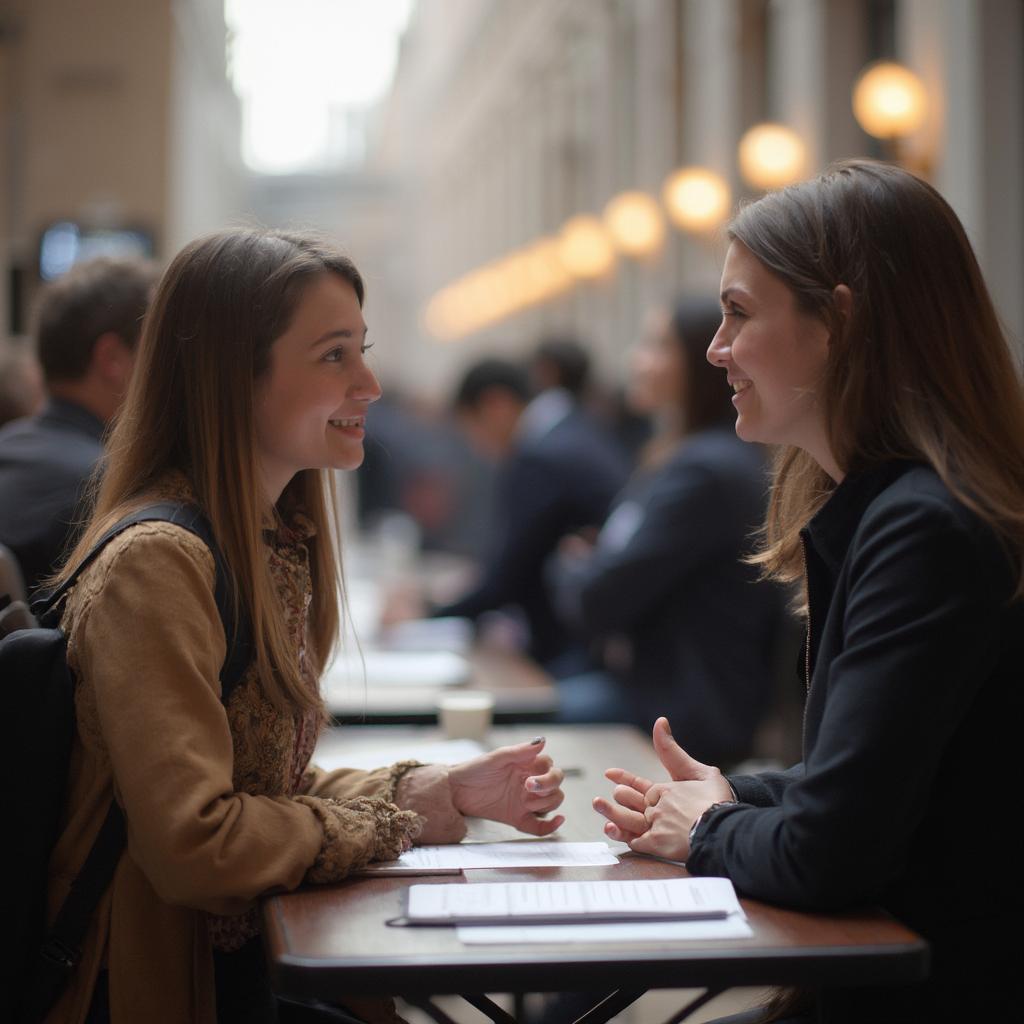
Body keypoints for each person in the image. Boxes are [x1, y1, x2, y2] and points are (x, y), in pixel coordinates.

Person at [42, 229, 565, 1024]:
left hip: (242, 968)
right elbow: (197, 846)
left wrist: (441, 790)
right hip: (165, 989)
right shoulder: (158, 564)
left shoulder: (262, 540)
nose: (371, 384)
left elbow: (264, 793)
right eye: (334, 356)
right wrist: (398, 819)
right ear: (232, 377)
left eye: (363, 350)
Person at [594, 159, 1023, 1020]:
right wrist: (730, 794)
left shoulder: (923, 527)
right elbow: (883, 783)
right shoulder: (899, 509)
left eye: (739, 314)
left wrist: (708, 826)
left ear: (837, 323)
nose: (714, 349)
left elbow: (835, 853)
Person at [553, 298, 782, 766]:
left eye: (657, 346)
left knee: (523, 727)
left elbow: (597, 600)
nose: (637, 360)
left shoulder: (704, 470)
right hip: (656, 691)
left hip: (685, 715)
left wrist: (569, 564)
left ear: (701, 363)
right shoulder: (680, 457)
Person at [430, 357, 629, 667]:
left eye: (471, 430)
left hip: (578, 653)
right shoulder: (572, 426)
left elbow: (507, 579)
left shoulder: (540, 456)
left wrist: (427, 610)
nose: (475, 446)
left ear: (495, 405)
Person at [0, 258, 157, 596]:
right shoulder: (108, 489)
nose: (172, 372)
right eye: (159, 351)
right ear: (112, 359)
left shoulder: (7, 444)